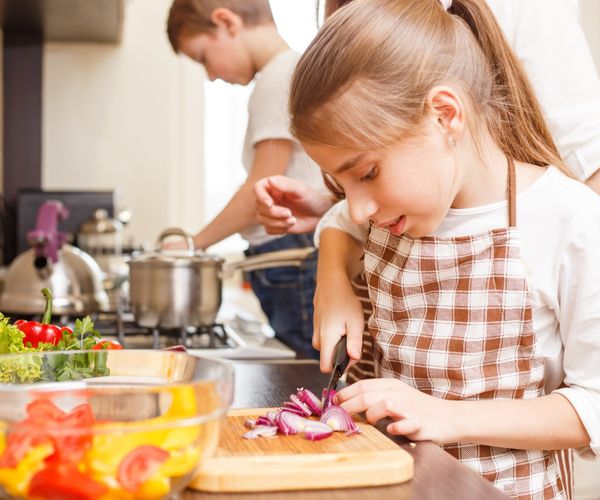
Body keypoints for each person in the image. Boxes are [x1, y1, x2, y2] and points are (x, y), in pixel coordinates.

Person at [286, 0, 600, 497]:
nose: (361, 206)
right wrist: (333, 285)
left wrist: (444, 416)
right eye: (341, 182)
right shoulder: (395, 206)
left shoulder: (571, 220)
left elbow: (593, 407)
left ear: (444, 114)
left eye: (367, 172)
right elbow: (339, 222)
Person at [166, 0, 326, 359]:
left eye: (203, 57)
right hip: (287, 255)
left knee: (304, 372)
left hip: (291, 254)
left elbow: (261, 187)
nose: (209, 75)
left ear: (226, 22)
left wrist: (195, 244)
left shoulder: (279, 76)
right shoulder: (284, 73)